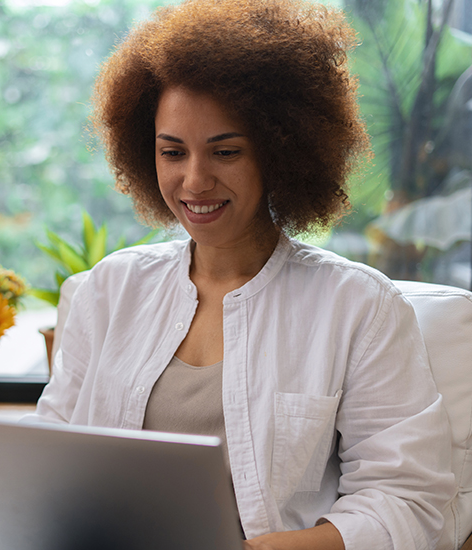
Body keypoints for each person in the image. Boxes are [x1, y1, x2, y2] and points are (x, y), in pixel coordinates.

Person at [25, 0, 456, 548]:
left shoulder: (357, 306)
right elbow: (50, 453)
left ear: (281, 152)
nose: (194, 180)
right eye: (172, 152)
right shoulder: (110, 289)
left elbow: (409, 500)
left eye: (225, 151)